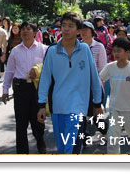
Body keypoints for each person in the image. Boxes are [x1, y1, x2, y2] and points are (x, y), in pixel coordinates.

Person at [36, 12, 103, 154]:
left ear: (78, 30)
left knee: (71, 149)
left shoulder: (84, 49)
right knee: (62, 149)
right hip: (58, 107)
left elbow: (94, 77)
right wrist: (41, 104)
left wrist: (97, 103)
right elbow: (45, 78)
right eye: (64, 25)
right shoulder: (52, 51)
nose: (66, 29)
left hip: (78, 107)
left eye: (71, 26)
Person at [2, 22, 48, 154]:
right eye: (23, 29)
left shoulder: (44, 49)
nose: (25, 31)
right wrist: (5, 90)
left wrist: (38, 72)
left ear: (35, 33)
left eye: (28, 29)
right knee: (21, 124)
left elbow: (49, 69)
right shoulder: (15, 51)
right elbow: (10, 71)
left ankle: (40, 142)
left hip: (37, 89)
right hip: (20, 88)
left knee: (37, 123)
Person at [99, 37, 130, 154]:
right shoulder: (110, 67)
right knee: (113, 137)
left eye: (119, 51)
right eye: (114, 51)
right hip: (115, 108)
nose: (116, 53)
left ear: (127, 52)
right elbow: (100, 79)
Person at [79, 21, 108, 143]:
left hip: (94, 86)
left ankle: (106, 132)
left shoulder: (99, 46)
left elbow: (102, 68)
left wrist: (100, 87)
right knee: (81, 115)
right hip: (80, 87)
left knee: (97, 115)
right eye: (82, 29)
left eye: (87, 29)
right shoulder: (77, 46)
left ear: (92, 32)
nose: (84, 32)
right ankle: (84, 139)